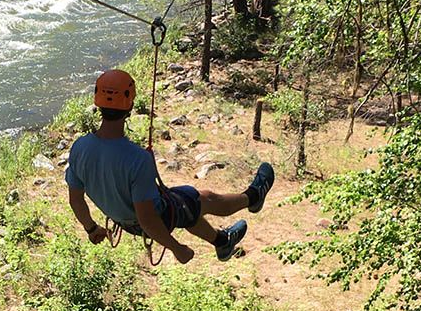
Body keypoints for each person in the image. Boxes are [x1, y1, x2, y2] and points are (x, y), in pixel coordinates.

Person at [65, 69, 275, 263]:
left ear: (97, 102)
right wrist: (177, 248)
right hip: (155, 219)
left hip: (125, 222)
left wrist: (91, 228)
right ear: (130, 105)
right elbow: (147, 219)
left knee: (188, 207)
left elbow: (76, 200)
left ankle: (222, 241)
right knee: (204, 198)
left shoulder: (79, 148)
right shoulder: (137, 159)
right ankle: (254, 196)